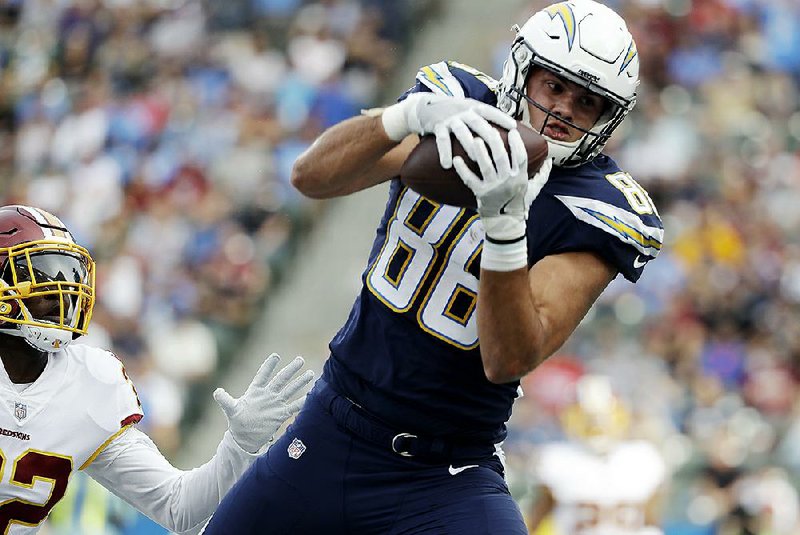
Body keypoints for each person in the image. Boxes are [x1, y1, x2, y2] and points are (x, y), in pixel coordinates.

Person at [205, 1, 664, 533]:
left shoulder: (597, 205)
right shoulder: (459, 103)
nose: (562, 110)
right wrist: (401, 118)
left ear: (607, 117)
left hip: (444, 475)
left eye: (586, 102)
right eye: (554, 85)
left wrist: (505, 222)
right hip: (332, 426)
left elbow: (507, 357)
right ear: (521, 69)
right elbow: (311, 177)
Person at [0, 204, 314, 534]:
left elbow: (176, 506)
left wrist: (240, 445)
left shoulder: (89, 383)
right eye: (41, 274)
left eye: (67, 273)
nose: (61, 291)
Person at [527, 374, 668, 535]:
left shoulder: (643, 457)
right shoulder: (557, 458)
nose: (596, 424)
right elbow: (538, 516)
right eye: (588, 417)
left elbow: (651, 518)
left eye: (603, 416)